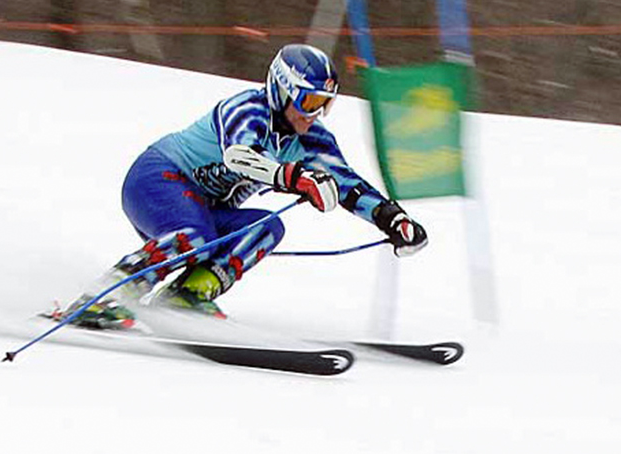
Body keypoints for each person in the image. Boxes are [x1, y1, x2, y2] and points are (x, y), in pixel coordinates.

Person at [60, 44, 428, 329]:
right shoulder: (246, 109)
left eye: (324, 105)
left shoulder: (313, 139)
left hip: (204, 205)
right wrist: (295, 177)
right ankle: (105, 294)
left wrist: (391, 218)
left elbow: (348, 185)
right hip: (157, 178)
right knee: (196, 234)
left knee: (267, 227)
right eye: (309, 100)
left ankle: (189, 294)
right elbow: (240, 155)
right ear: (282, 90)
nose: (313, 114)